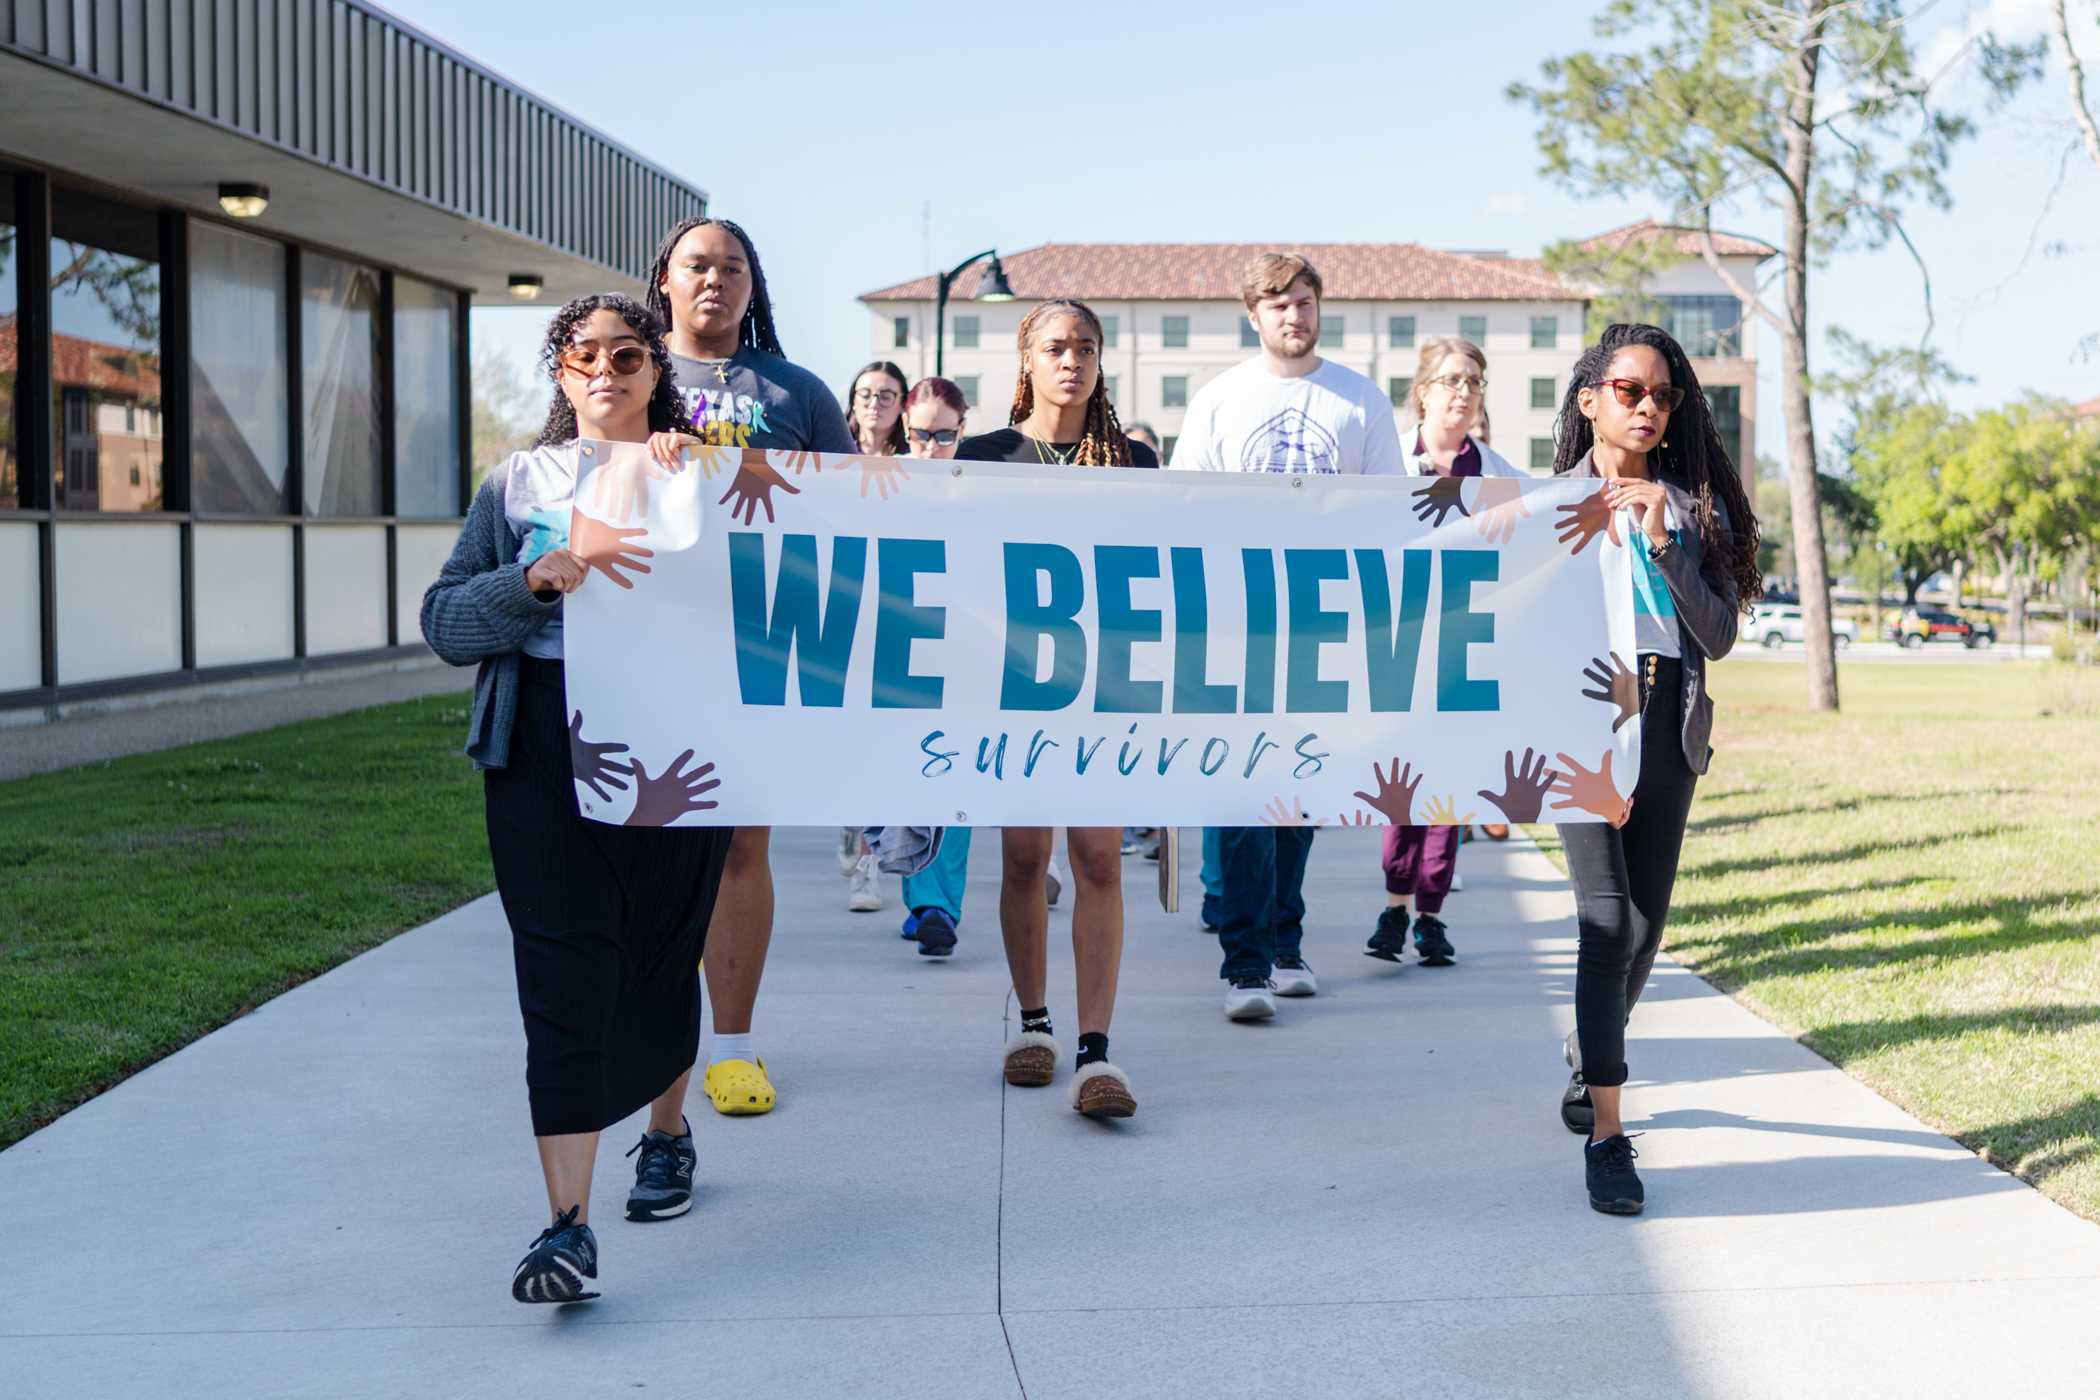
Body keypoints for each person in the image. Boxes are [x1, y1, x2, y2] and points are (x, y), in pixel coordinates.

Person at [421, 294, 730, 1303]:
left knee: (659, 944)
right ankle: (565, 1229)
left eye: (627, 354)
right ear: (561, 370)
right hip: (543, 747)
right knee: (560, 969)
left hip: (672, 741)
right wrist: (531, 580)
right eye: (583, 353)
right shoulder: (514, 483)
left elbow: (784, 589)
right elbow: (444, 621)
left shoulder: (708, 475)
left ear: (654, 370)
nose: (605, 369)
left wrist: (717, 490)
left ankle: (668, 1131)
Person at [645, 216, 858, 1118]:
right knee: (649, 848)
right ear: (664, 278)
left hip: (762, 642)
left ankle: (731, 1047)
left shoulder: (797, 390)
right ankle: (650, 1046)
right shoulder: (627, 369)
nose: (714, 281)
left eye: (732, 268)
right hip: (647, 642)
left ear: (752, 284)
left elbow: (860, 516)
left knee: (740, 842)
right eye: (697, 265)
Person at [1549, 322, 1759, 1216]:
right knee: (1604, 924)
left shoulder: (1690, 505)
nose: (1646, 407)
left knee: (1644, 929)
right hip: (1578, 722)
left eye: (1663, 396)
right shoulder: (1537, 504)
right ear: (1590, 398)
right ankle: (1608, 1135)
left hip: (1666, 718)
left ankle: (1588, 1052)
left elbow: (1717, 637)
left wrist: (1668, 542)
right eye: (1629, 391)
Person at [1168, 252, 1404, 1021]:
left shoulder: (1358, 399)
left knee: (1302, 791)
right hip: (1237, 619)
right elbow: (1185, 506)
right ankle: (1244, 965)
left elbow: (1391, 514)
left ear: (1318, 309)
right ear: (1254, 316)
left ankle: (1285, 943)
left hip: (1322, 623)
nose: (1293, 317)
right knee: (1241, 789)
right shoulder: (1219, 399)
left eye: (1304, 303)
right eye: (1278, 306)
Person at [960, 298, 1154, 1118]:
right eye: (1054, 347)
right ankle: (1032, 1028)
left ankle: (1095, 1050)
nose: (1070, 361)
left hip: (1105, 686)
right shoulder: (982, 456)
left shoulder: (1134, 464)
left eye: (1085, 347)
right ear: (1025, 360)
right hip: (1013, 683)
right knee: (1021, 861)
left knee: (1100, 861)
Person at [1371, 337, 1526, 967]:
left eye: (1474, 382)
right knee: (1400, 785)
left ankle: (1430, 917)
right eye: (1451, 380)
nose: (1463, 392)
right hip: (1399, 645)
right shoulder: (1385, 465)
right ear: (1424, 391)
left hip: (1468, 648)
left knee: (1452, 790)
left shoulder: (1499, 473)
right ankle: (1392, 907)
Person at [893, 376, 973, 959]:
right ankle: (918, 893)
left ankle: (936, 905)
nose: (931, 447)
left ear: (961, 430)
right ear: (905, 428)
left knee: (954, 781)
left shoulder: (978, 484)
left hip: (964, 644)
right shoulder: (878, 482)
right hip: (898, 644)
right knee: (905, 774)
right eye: (921, 434)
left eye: (944, 435)